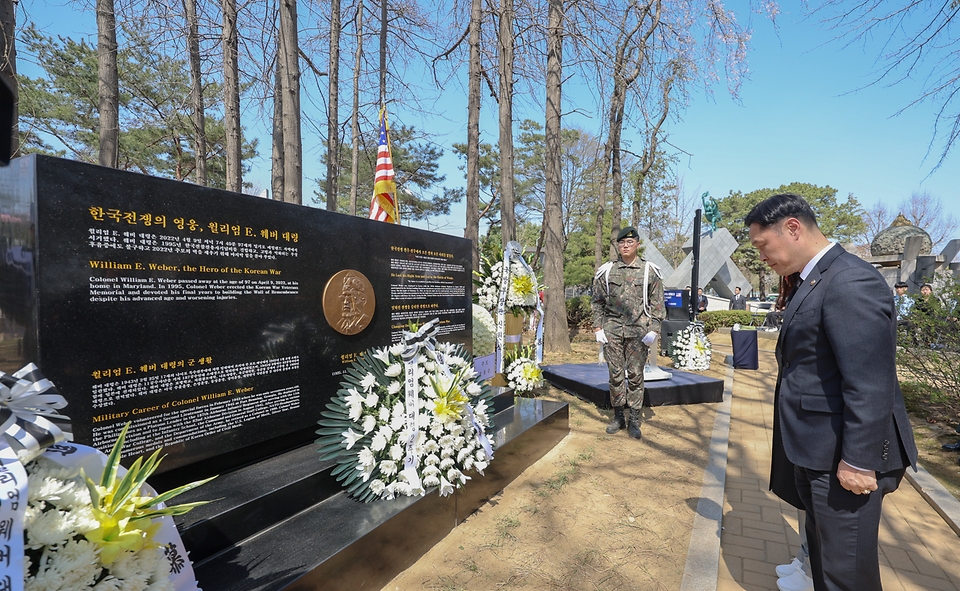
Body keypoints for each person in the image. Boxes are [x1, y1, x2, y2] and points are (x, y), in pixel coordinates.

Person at [745, 193, 917, 591]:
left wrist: (858, 460)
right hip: (815, 450)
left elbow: (870, 381)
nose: (761, 257)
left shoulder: (849, 280)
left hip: (842, 458)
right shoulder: (817, 278)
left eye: (762, 246)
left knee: (846, 575)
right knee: (825, 566)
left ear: (792, 228)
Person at [592, 226, 665, 440]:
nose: (625, 245)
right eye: (622, 242)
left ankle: (634, 419)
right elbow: (597, 301)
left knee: (635, 376)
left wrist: (654, 329)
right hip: (612, 330)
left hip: (639, 332)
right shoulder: (606, 271)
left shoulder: (649, 270)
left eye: (630, 242)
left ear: (637, 245)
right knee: (615, 376)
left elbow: (658, 303)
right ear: (618, 245)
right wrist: (598, 328)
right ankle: (618, 417)